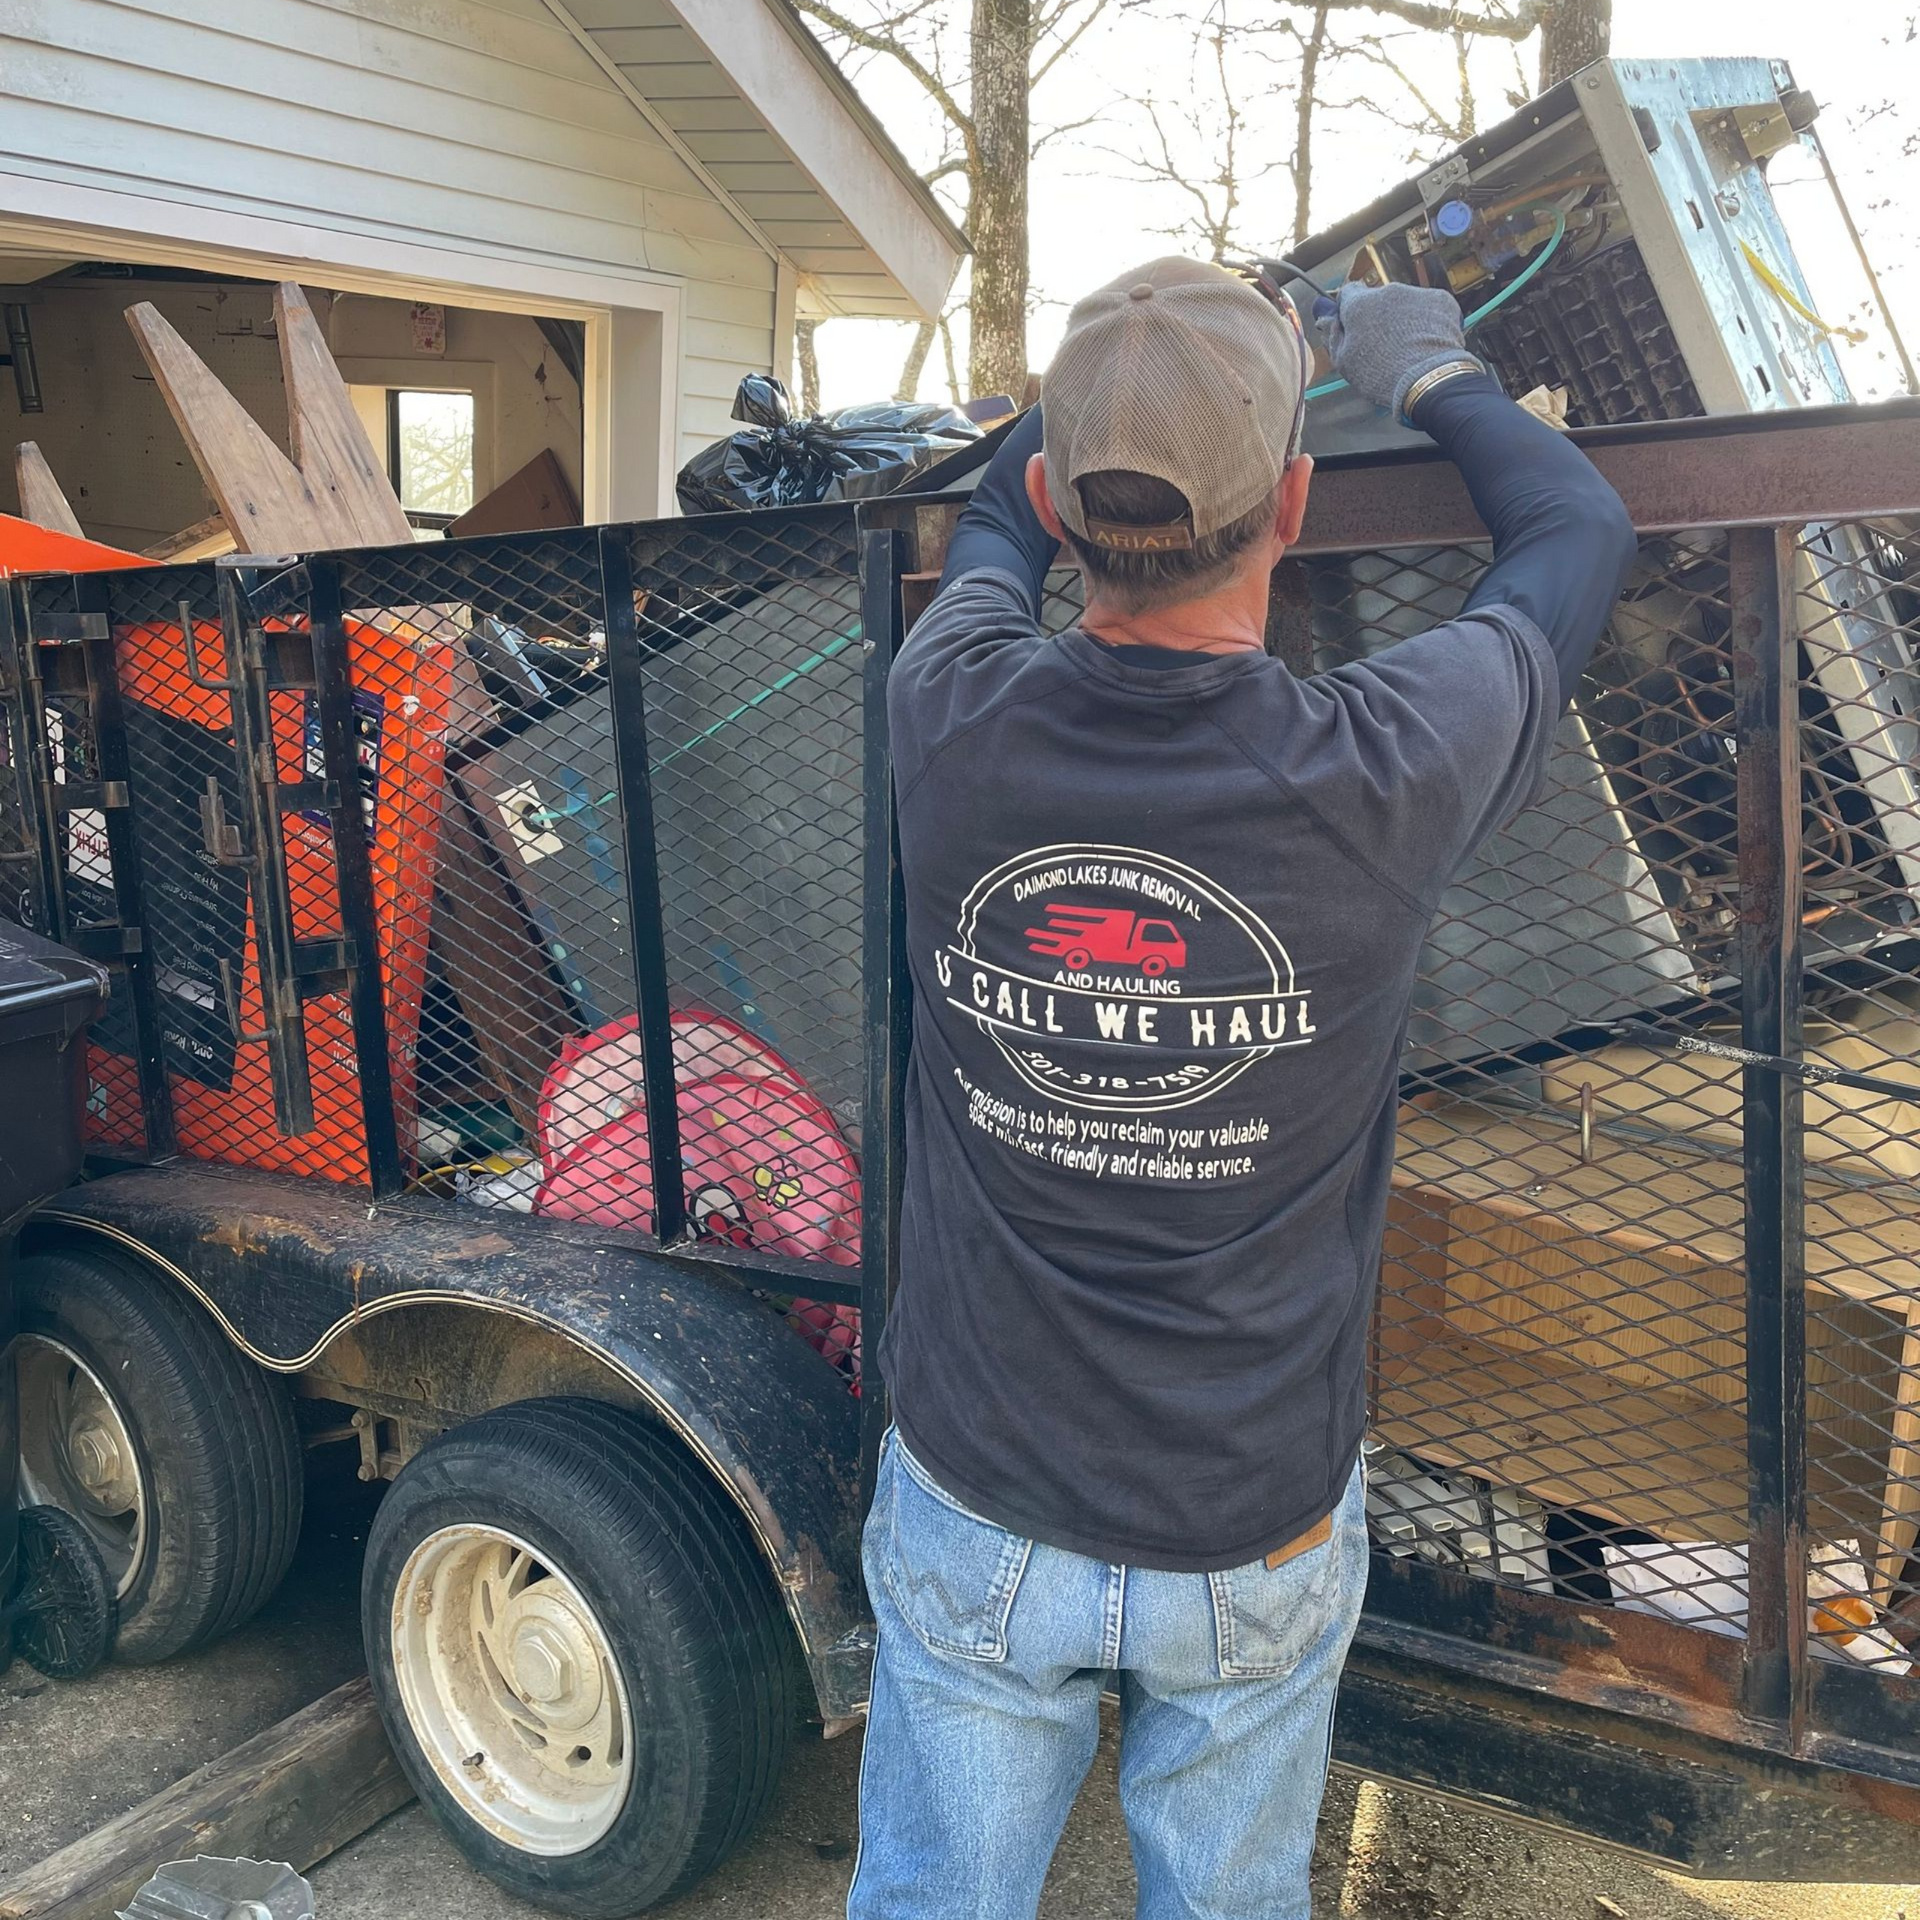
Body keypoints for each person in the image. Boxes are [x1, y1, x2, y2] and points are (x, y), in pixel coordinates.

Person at [851, 257, 1637, 1920]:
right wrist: (1429, 373)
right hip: (1251, 1519)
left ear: (1067, 502)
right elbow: (1574, 538)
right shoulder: (1386, 766)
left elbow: (988, 531)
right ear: (1294, 498)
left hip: (980, 1496)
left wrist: (1102, 382)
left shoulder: (946, 711)